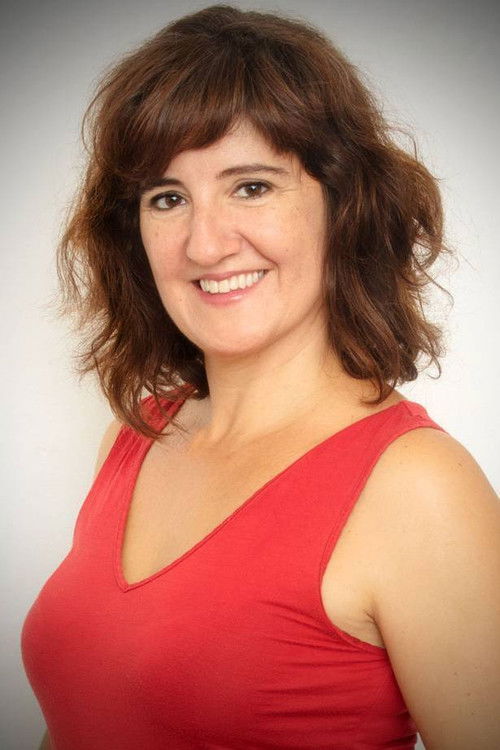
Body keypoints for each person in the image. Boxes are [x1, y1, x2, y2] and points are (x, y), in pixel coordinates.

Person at [21, 4, 499, 749]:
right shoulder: (138, 434)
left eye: (251, 186)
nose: (204, 244)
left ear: (344, 205)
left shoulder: (418, 489)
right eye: (167, 198)